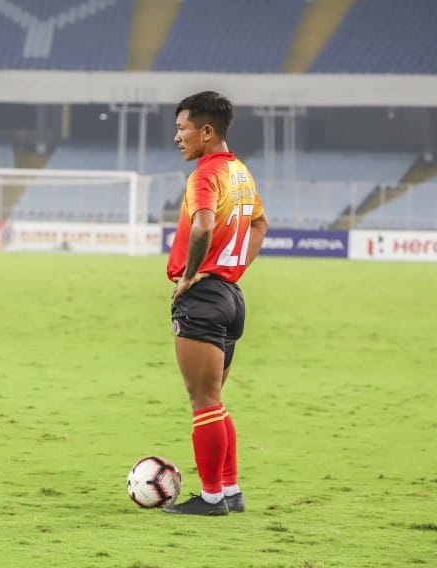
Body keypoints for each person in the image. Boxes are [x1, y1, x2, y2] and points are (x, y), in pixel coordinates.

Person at [162, 91, 268, 516]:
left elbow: (204, 224)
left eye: (182, 128)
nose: (177, 137)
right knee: (215, 399)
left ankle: (211, 500)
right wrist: (232, 267)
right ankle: (230, 490)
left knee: (203, 401)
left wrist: (190, 274)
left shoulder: (204, 176)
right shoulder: (240, 172)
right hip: (230, 296)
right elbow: (260, 224)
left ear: (206, 132)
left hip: (203, 299)